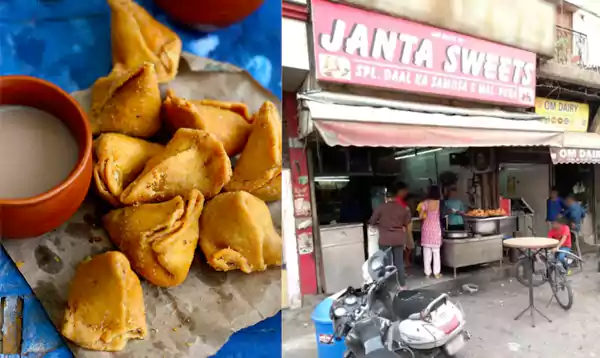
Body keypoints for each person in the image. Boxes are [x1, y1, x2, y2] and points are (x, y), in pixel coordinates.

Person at [368, 181, 411, 290]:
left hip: (385, 239)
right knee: (399, 263)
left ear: (386, 198)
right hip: (398, 238)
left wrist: (379, 223)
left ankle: (388, 285)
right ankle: (402, 285)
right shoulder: (403, 208)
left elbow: (372, 221)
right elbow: (406, 223)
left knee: (386, 263)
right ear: (396, 197)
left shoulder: (381, 208)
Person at [420, 185, 443, 279]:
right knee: (436, 252)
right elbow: (442, 215)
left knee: (427, 252)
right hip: (435, 229)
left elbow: (420, 216)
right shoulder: (439, 203)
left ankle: (427, 272)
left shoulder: (425, 203)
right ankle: (436, 273)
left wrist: (426, 215)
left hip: (426, 228)